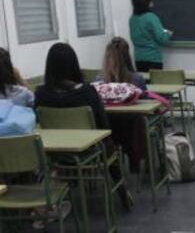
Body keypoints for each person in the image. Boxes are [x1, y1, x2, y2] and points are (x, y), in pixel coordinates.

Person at [34, 43, 133, 210]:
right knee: (108, 144)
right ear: (74, 64)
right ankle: (122, 193)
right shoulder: (87, 92)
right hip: (90, 151)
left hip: (55, 152)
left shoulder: (40, 94)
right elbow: (103, 126)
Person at [97, 37, 147, 173]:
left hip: (105, 133)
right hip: (131, 132)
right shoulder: (137, 78)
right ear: (127, 56)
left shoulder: (99, 80)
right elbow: (145, 100)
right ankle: (141, 165)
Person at [129, 0, 172, 72]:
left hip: (139, 59)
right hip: (153, 59)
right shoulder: (151, 17)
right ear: (146, 2)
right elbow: (161, 39)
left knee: (144, 84)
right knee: (155, 84)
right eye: (150, 0)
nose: (152, 1)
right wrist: (168, 34)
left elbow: (133, 37)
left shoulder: (132, 19)